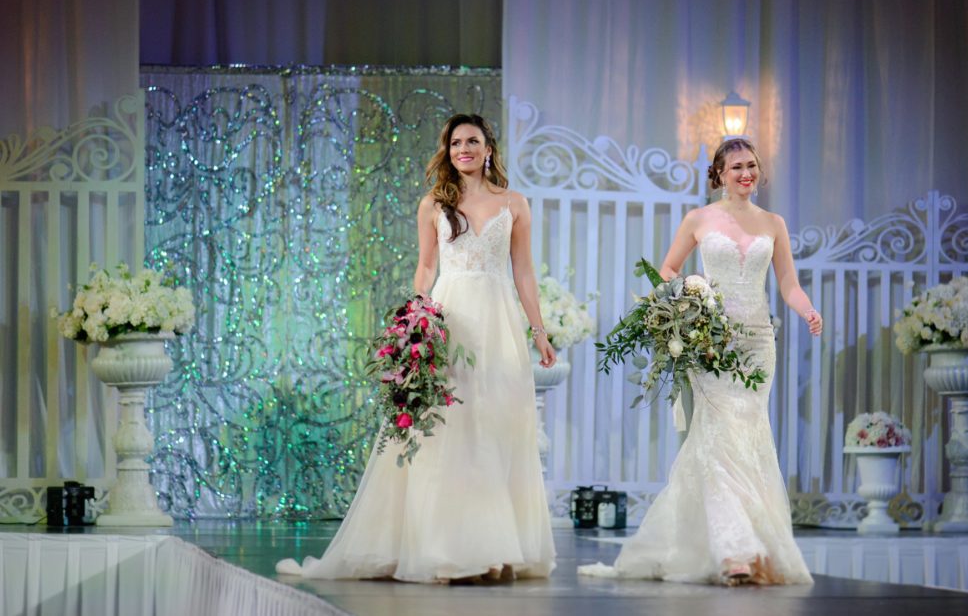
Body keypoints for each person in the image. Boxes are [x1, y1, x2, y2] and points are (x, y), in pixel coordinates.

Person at [276, 113, 557, 584]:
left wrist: (539, 330)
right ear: (447, 152)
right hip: (450, 319)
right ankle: (443, 549)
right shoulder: (434, 203)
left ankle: (493, 548)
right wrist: (417, 320)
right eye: (454, 143)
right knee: (446, 431)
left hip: (499, 323)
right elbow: (426, 267)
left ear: (490, 148)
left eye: (472, 141)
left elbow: (523, 272)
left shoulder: (515, 204)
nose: (462, 149)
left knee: (494, 428)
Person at [579, 138, 820, 586]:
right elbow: (668, 270)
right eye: (736, 168)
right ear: (719, 174)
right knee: (717, 438)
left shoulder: (774, 223)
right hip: (710, 340)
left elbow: (788, 281)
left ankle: (749, 543)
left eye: (752, 166)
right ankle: (735, 551)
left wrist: (806, 309)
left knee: (748, 437)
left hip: (757, 343)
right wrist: (695, 295)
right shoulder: (700, 218)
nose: (745, 174)